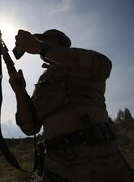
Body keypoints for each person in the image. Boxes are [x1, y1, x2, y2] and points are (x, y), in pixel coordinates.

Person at [9, 29, 133, 181]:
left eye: (47, 39)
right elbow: (30, 128)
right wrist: (20, 93)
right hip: (54, 165)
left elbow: (103, 65)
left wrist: (40, 47)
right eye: (40, 40)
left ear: (61, 42)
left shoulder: (78, 64)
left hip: (97, 159)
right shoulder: (43, 82)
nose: (42, 41)